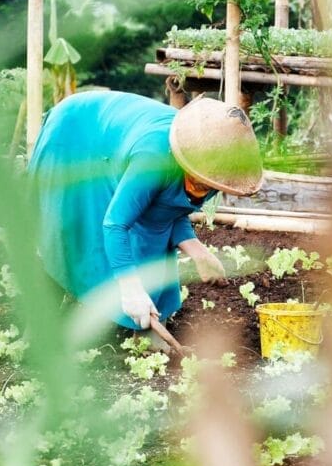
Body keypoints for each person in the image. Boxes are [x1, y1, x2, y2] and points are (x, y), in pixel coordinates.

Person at [28, 90, 263, 332]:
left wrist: (198, 252)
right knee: (68, 228)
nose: (211, 189)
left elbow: (171, 208)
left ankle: (146, 318)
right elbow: (115, 224)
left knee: (149, 240)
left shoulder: (215, 169)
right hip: (75, 136)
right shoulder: (153, 159)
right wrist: (130, 289)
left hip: (114, 143)